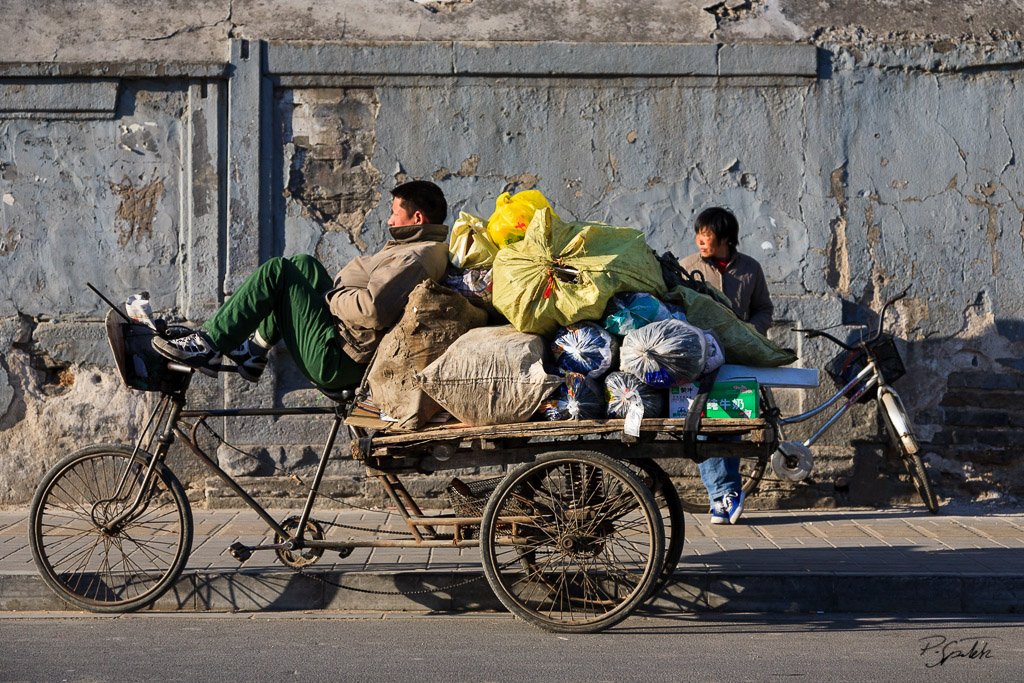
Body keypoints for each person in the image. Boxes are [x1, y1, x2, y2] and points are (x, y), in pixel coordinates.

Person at [154, 180, 450, 391]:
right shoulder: (420, 246)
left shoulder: (413, 258)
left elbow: (373, 310)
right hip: (343, 338)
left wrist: (330, 298)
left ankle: (208, 344)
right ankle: (254, 351)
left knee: (277, 271)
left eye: (394, 212)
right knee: (303, 264)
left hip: (339, 358)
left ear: (417, 217)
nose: (389, 219)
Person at [679, 207, 773, 524]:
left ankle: (723, 497)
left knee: (730, 425)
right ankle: (723, 494)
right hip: (699, 363)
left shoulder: (750, 269)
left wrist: (750, 333)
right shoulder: (685, 268)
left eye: (707, 234)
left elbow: (763, 310)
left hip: (736, 363)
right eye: (699, 233)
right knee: (704, 427)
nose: (701, 240)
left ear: (725, 238)